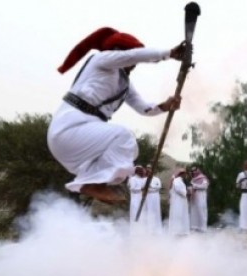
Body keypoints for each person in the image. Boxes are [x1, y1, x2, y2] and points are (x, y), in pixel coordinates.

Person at [47, 27, 186, 204]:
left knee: (130, 150)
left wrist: (164, 106)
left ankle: (93, 182)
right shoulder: (100, 59)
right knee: (123, 136)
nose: (134, 66)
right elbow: (132, 56)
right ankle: (92, 184)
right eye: (132, 57)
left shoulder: (124, 83)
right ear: (118, 51)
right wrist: (170, 53)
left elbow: (143, 107)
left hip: (81, 148)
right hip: (68, 129)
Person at [168, 168, 190, 235]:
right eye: (185, 174)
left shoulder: (180, 181)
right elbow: (178, 189)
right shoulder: (177, 180)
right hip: (178, 201)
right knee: (177, 215)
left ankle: (181, 230)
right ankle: (176, 231)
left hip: (181, 201)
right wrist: (186, 192)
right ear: (182, 174)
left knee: (182, 215)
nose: (185, 175)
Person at [144, 164, 163, 234]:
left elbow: (159, 186)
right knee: (149, 211)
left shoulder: (156, 179)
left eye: (150, 169)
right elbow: (145, 188)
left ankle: (157, 229)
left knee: (156, 210)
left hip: (155, 196)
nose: (149, 171)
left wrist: (152, 186)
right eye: (147, 169)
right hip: (149, 196)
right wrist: (152, 188)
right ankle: (150, 229)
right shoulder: (145, 179)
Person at [189, 167, 209, 232]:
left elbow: (205, 186)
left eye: (195, 170)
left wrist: (195, 186)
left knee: (201, 210)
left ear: (198, 170)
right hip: (194, 197)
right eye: (192, 171)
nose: (194, 172)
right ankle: (194, 226)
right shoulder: (192, 179)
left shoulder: (203, 178)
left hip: (201, 196)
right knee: (194, 211)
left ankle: (203, 227)